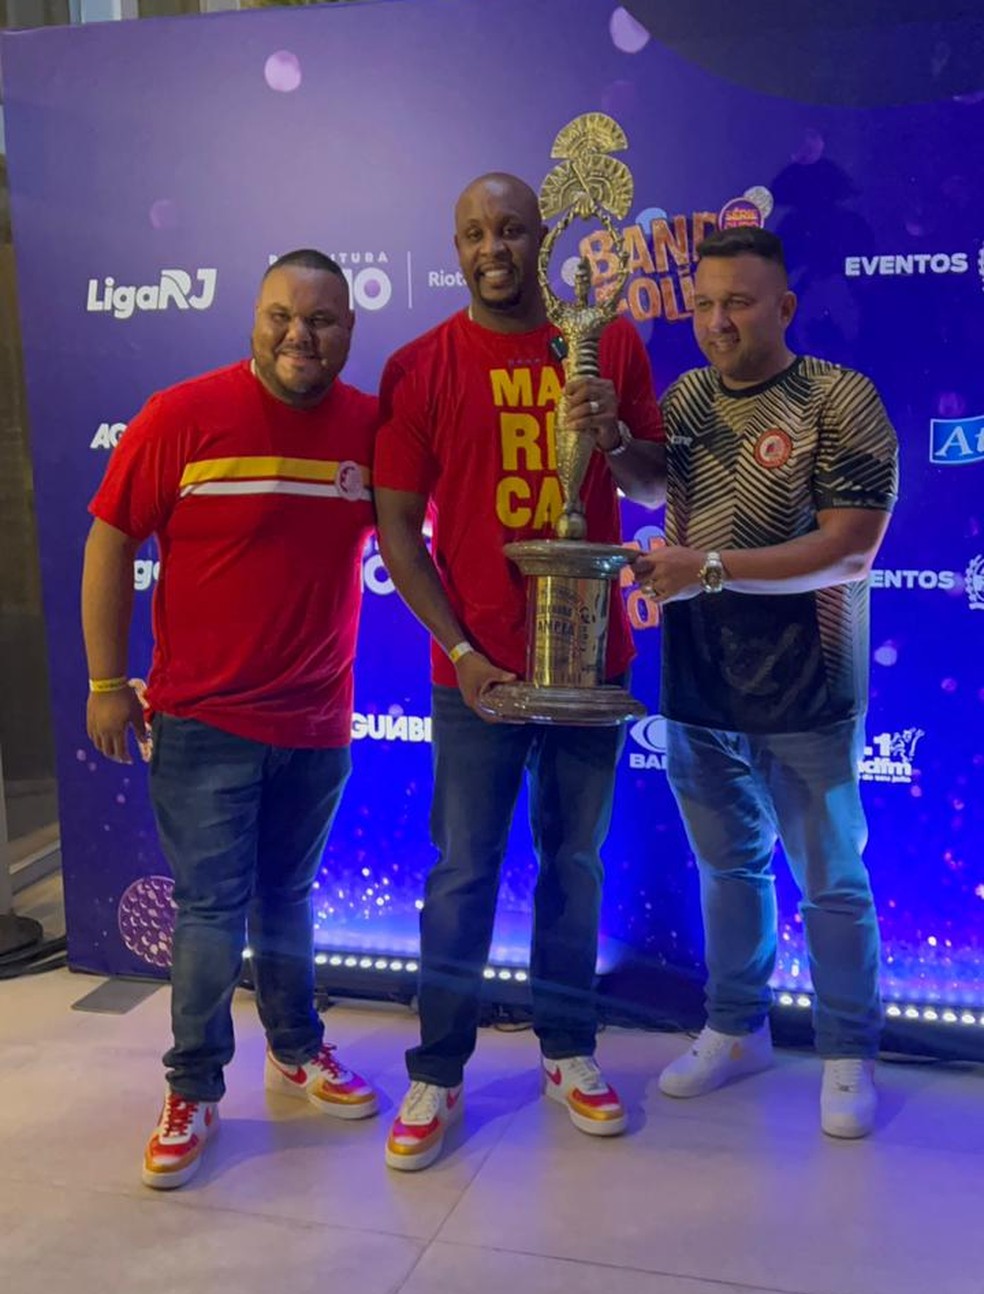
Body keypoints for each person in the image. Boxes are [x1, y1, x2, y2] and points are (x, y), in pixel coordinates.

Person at [374, 173, 665, 1171]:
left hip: (589, 662)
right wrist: (463, 654)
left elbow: (654, 481)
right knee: (462, 870)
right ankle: (439, 1066)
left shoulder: (608, 341)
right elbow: (398, 529)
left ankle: (568, 1048)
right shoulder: (423, 364)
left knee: (573, 866)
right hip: (478, 673)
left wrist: (617, 431)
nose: (492, 246)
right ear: (454, 248)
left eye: (510, 229)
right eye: (473, 233)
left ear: (542, 238)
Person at [82, 250, 381, 1190]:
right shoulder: (181, 415)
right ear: (254, 320)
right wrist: (104, 681)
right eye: (282, 316)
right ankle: (194, 1088)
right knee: (212, 910)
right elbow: (109, 537)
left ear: (349, 328)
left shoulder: (370, 428)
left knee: (287, 901)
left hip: (319, 723)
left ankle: (296, 1050)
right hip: (205, 723)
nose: (301, 335)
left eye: (323, 319)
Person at [632, 226, 898, 1139]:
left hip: (808, 686)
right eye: (704, 304)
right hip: (699, 681)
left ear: (783, 307)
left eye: (738, 303)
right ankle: (735, 1027)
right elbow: (646, 481)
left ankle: (846, 1050)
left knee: (830, 879)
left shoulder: (840, 397)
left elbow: (850, 547)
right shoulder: (690, 396)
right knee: (727, 870)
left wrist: (704, 568)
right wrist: (608, 436)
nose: (717, 322)